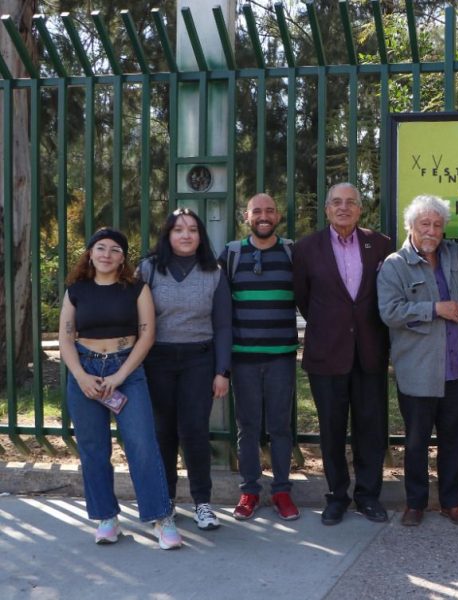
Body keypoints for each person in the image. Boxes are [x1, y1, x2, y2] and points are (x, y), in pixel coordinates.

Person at [59, 228, 182, 550]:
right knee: (93, 449)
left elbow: (147, 336)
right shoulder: (76, 291)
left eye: (115, 250)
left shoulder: (137, 289)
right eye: (101, 248)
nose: (107, 254)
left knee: (142, 445)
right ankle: (106, 518)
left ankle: (161, 517)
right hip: (85, 371)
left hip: (126, 370)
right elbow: (65, 338)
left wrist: (119, 376)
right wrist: (81, 376)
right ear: (90, 253)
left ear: (123, 258)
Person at [293, 183, 393, 525]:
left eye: (351, 202)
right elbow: (304, 299)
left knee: (371, 429)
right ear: (326, 209)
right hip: (327, 353)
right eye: (336, 202)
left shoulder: (380, 245)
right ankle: (337, 496)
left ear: (360, 209)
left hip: (370, 352)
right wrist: (332, 324)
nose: (344, 207)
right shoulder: (306, 248)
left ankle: (368, 496)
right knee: (331, 430)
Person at [378, 195, 458, 527]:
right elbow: (390, 312)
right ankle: (415, 503)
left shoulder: (455, 255)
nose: (431, 231)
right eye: (425, 224)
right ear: (411, 227)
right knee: (417, 441)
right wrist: (435, 309)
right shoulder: (394, 265)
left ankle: (452, 502)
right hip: (417, 370)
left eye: (437, 225)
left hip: (454, 367)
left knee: (454, 440)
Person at [139, 208, 232, 532]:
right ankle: (164, 503)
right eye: (178, 229)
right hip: (157, 360)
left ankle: (202, 502)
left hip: (199, 360)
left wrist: (222, 370)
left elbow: (223, 325)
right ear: (167, 235)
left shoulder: (213, 272)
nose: (186, 235)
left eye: (192, 229)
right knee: (162, 432)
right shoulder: (149, 269)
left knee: (194, 431)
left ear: (200, 236)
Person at [221, 193, 300, 521]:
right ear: (246, 216)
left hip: (281, 356)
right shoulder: (231, 254)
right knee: (248, 427)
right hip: (243, 358)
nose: (263, 216)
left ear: (278, 216)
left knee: (281, 427)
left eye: (269, 210)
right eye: (257, 211)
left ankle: (281, 491)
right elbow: (220, 306)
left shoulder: (292, 253)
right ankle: (250, 491)